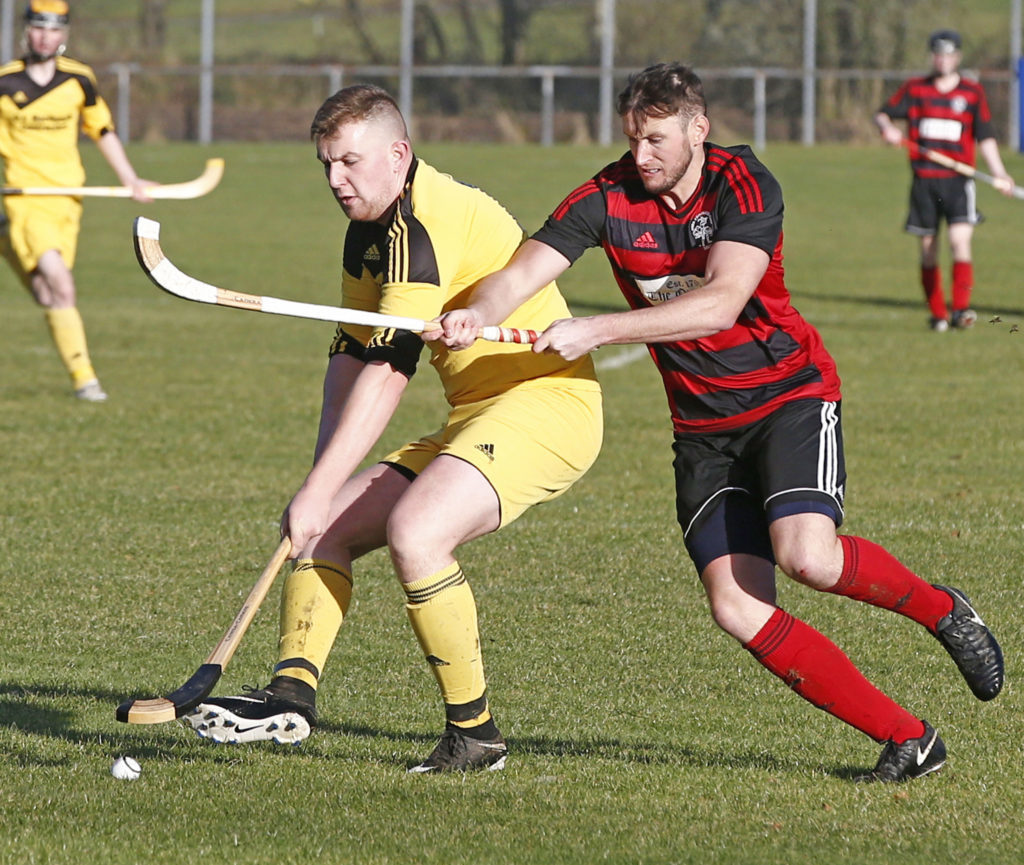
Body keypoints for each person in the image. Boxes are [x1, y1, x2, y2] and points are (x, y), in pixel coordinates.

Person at [435, 62, 1004, 783]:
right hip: (702, 429)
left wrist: (600, 328)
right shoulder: (605, 197)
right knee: (736, 606)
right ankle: (910, 740)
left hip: (788, 395)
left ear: (698, 129)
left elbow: (723, 300)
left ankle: (945, 610)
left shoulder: (743, 181)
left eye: (657, 139)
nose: (641, 156)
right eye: (633, 139)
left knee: (810, 557)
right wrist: (475, 315)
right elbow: (522, 273)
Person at [183, 84, 603, 773]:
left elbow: (388, 367)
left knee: (417, 530)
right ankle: (290, 694)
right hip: (475, 415)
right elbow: (351, 352)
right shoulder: (368, 233)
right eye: (326, 166)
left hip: (548, 405)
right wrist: (323, 484)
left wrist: (321, 486)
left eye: (349, 162)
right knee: (326, 523)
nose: (336, 180)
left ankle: (476, 736)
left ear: (398, 154)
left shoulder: (420, 224)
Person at [0, 0, 153, 401]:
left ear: (64, 35)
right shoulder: (4, 82)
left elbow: (102, 130)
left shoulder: (79, 80)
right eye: (38, 27)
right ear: (26, 31)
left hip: (68, 198)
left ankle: (5, 241)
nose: (45, 36)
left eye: (54, 29)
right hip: (25, 198)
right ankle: (86, 380)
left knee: (47, 294)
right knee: (62, 285)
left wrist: (131, 179)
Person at [874, 29, 1014, 332]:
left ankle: (961, 310)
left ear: (958, 57)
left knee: (959, 242)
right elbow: (883, 114)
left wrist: (1000, 172)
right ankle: (938, 314)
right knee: (928, 249)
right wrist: (887, 128)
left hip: (959, 180)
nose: (943, 60)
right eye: (938, 54)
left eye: (949, 54)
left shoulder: (972, 93)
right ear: (932, 56)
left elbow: (985, 137)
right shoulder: (915, 89)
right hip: (924, 181)